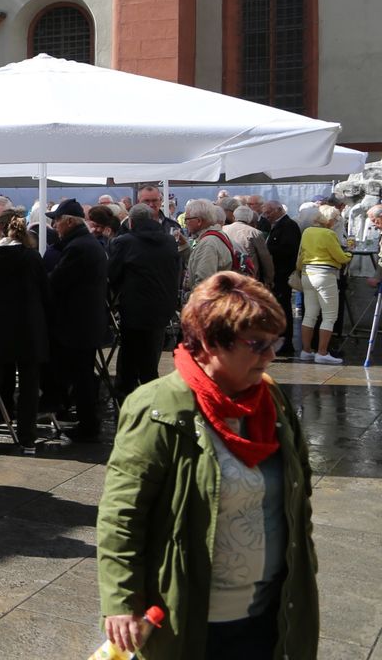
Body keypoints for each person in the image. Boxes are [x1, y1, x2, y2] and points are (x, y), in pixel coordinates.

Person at [97, 272, 317, 660]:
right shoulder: (158, 407)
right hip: (191, 620)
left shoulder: (273, 402)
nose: (270, 355)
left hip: (273, 614)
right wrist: (121, 599)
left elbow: (300, 495)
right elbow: (122, 513)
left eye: (274, 342)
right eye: (257, 344)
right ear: (212, 341)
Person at [0, 208, 48, 454]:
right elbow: (45, 291)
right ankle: (27, 439)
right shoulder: (33, 257)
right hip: (28, 326)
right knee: (28, 383)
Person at [44, 198, 108, 441]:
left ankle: (88, 425)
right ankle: (86, 420)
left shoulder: (78, 247)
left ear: (69, 222)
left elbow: (57, 282)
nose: (55, 226)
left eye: (58, 221)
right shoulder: (85, 243)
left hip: (77, 324)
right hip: (84, 321)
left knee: (81, 376)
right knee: (81, 374)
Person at [108, 204, 182, 403]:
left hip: (135, 307)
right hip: (162, 307)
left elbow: (113, 274)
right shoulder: (169, 241)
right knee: (150, 356)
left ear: (131, 222)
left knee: (130, 354)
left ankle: (128, 397)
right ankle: (149, 397)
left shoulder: (124, 242)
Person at [296, 204, 351, 364]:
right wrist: (349, 254)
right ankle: (322, 352)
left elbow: (301, 253)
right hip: (324, 275)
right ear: (329, 220)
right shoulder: (328, 234)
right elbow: (340, 256)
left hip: (307, 274)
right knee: (329, 316)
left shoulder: (307, 231)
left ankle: (306, 351)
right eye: (334, 219)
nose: (335, 222)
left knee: (309, 315)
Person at [261, 201, 301, 355]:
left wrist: (267, 249)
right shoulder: (279, 225)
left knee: (283, 309)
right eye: (265, 212)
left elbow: (288, 249)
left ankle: (285, 343)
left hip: (282, 274)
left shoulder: (288, 225)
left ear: (278, 210)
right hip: (277, 274)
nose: (266, 216)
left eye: (269, 212)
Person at [184, 199, 233, 290]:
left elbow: (203, 285)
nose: (185, 223)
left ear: (199, 221)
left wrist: (188, 298)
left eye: (186, 219)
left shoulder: (208, 243)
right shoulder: (218, 235)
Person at [223, 206, 274, 286]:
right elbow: (265, 257)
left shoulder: (223, 229)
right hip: (248, 275)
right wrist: (269, 280)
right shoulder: (255, 233)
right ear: (250, 218)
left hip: (227, 273)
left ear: (234, 216)